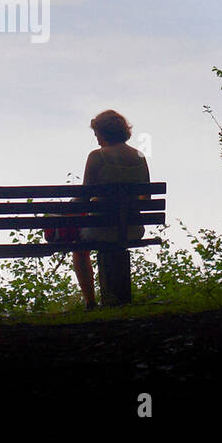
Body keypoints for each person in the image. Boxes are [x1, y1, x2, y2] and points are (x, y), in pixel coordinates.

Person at [71, 110, 150, 309]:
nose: (96, 138)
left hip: (100, 229)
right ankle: (116, 298)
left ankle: (90, 302)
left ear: (104, 132)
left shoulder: (97, 156)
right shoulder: (140, 157)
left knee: (78, 249)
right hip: (133, 229)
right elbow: (146, 198)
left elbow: (84, 197)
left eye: (97, 133)